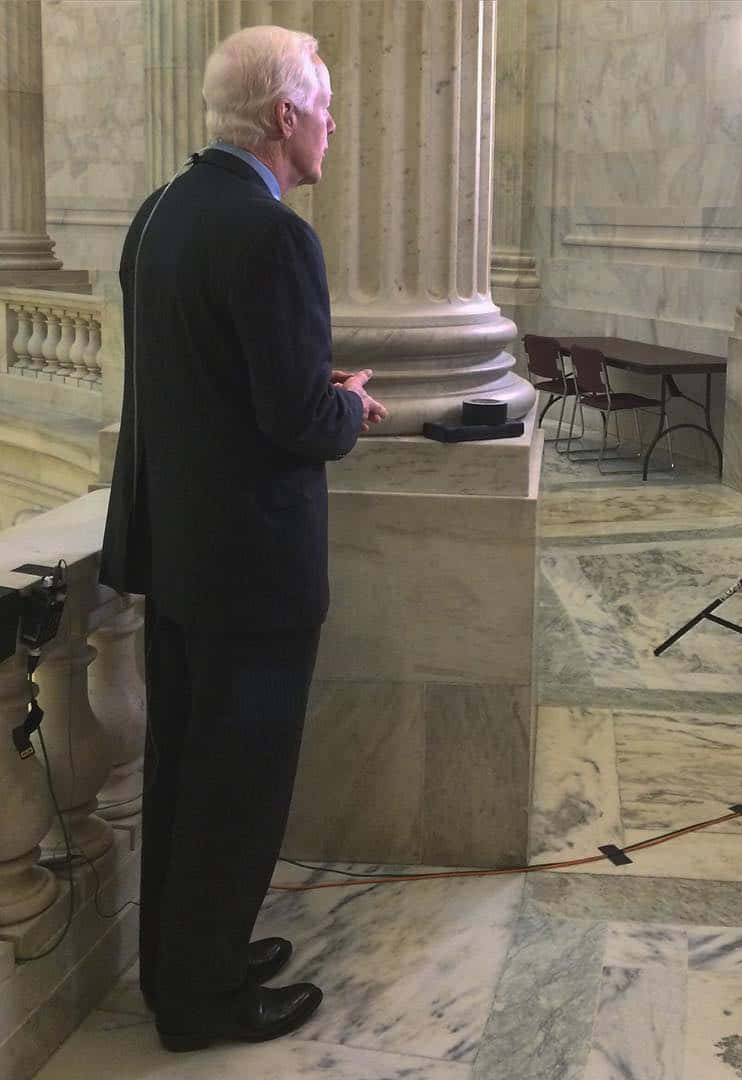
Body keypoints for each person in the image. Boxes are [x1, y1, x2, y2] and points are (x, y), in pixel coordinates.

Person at [99, 25, 386, 1052]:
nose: (335, 124)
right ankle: (205, 1002)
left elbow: (197, 389)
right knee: (239, 786)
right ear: (285, 116)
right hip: (251, 572)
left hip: (175, 553)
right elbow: (295, 423)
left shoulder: (161, 212)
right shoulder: (272, 235)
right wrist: (349, 404)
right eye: (327, 105)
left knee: (187, 773)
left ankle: (186, 961)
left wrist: (313, 391)